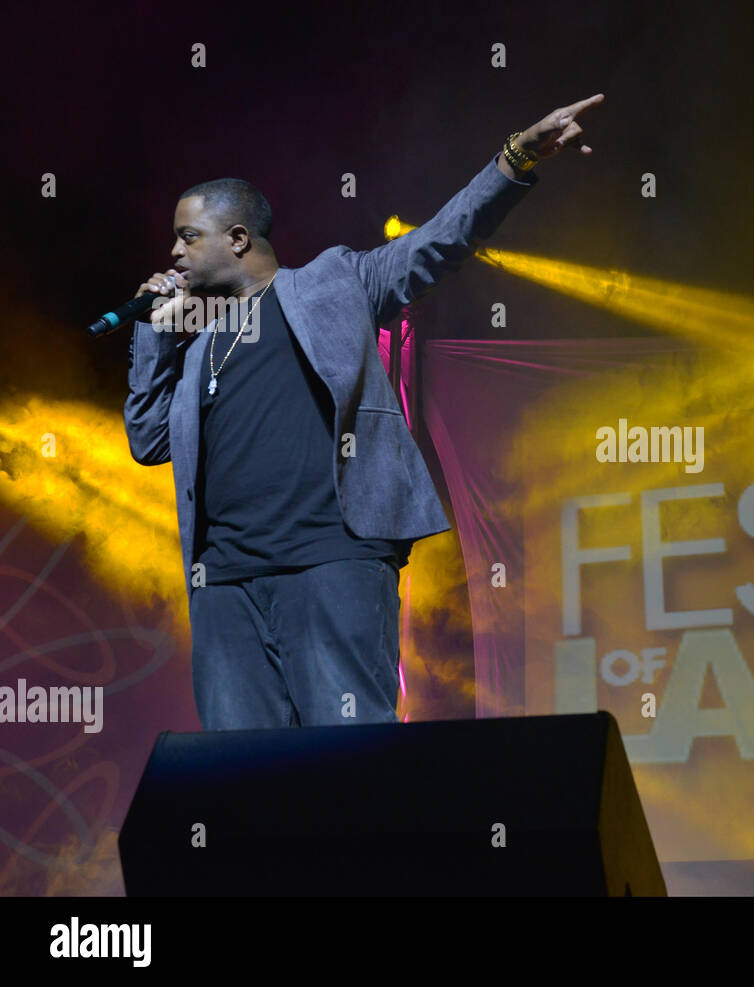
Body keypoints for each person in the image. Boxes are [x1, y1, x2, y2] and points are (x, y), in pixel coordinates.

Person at [123, 94, 604, 731]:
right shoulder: (202, 341)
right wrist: (155, 333)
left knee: (347, 762)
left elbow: (442, 239)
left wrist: (516, 157)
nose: (175, 254)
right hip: (224, 584)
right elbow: (149, 439)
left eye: (188, 237)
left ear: (238, 239)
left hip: (331, 559)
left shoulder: (335, 283)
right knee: (240, 779)